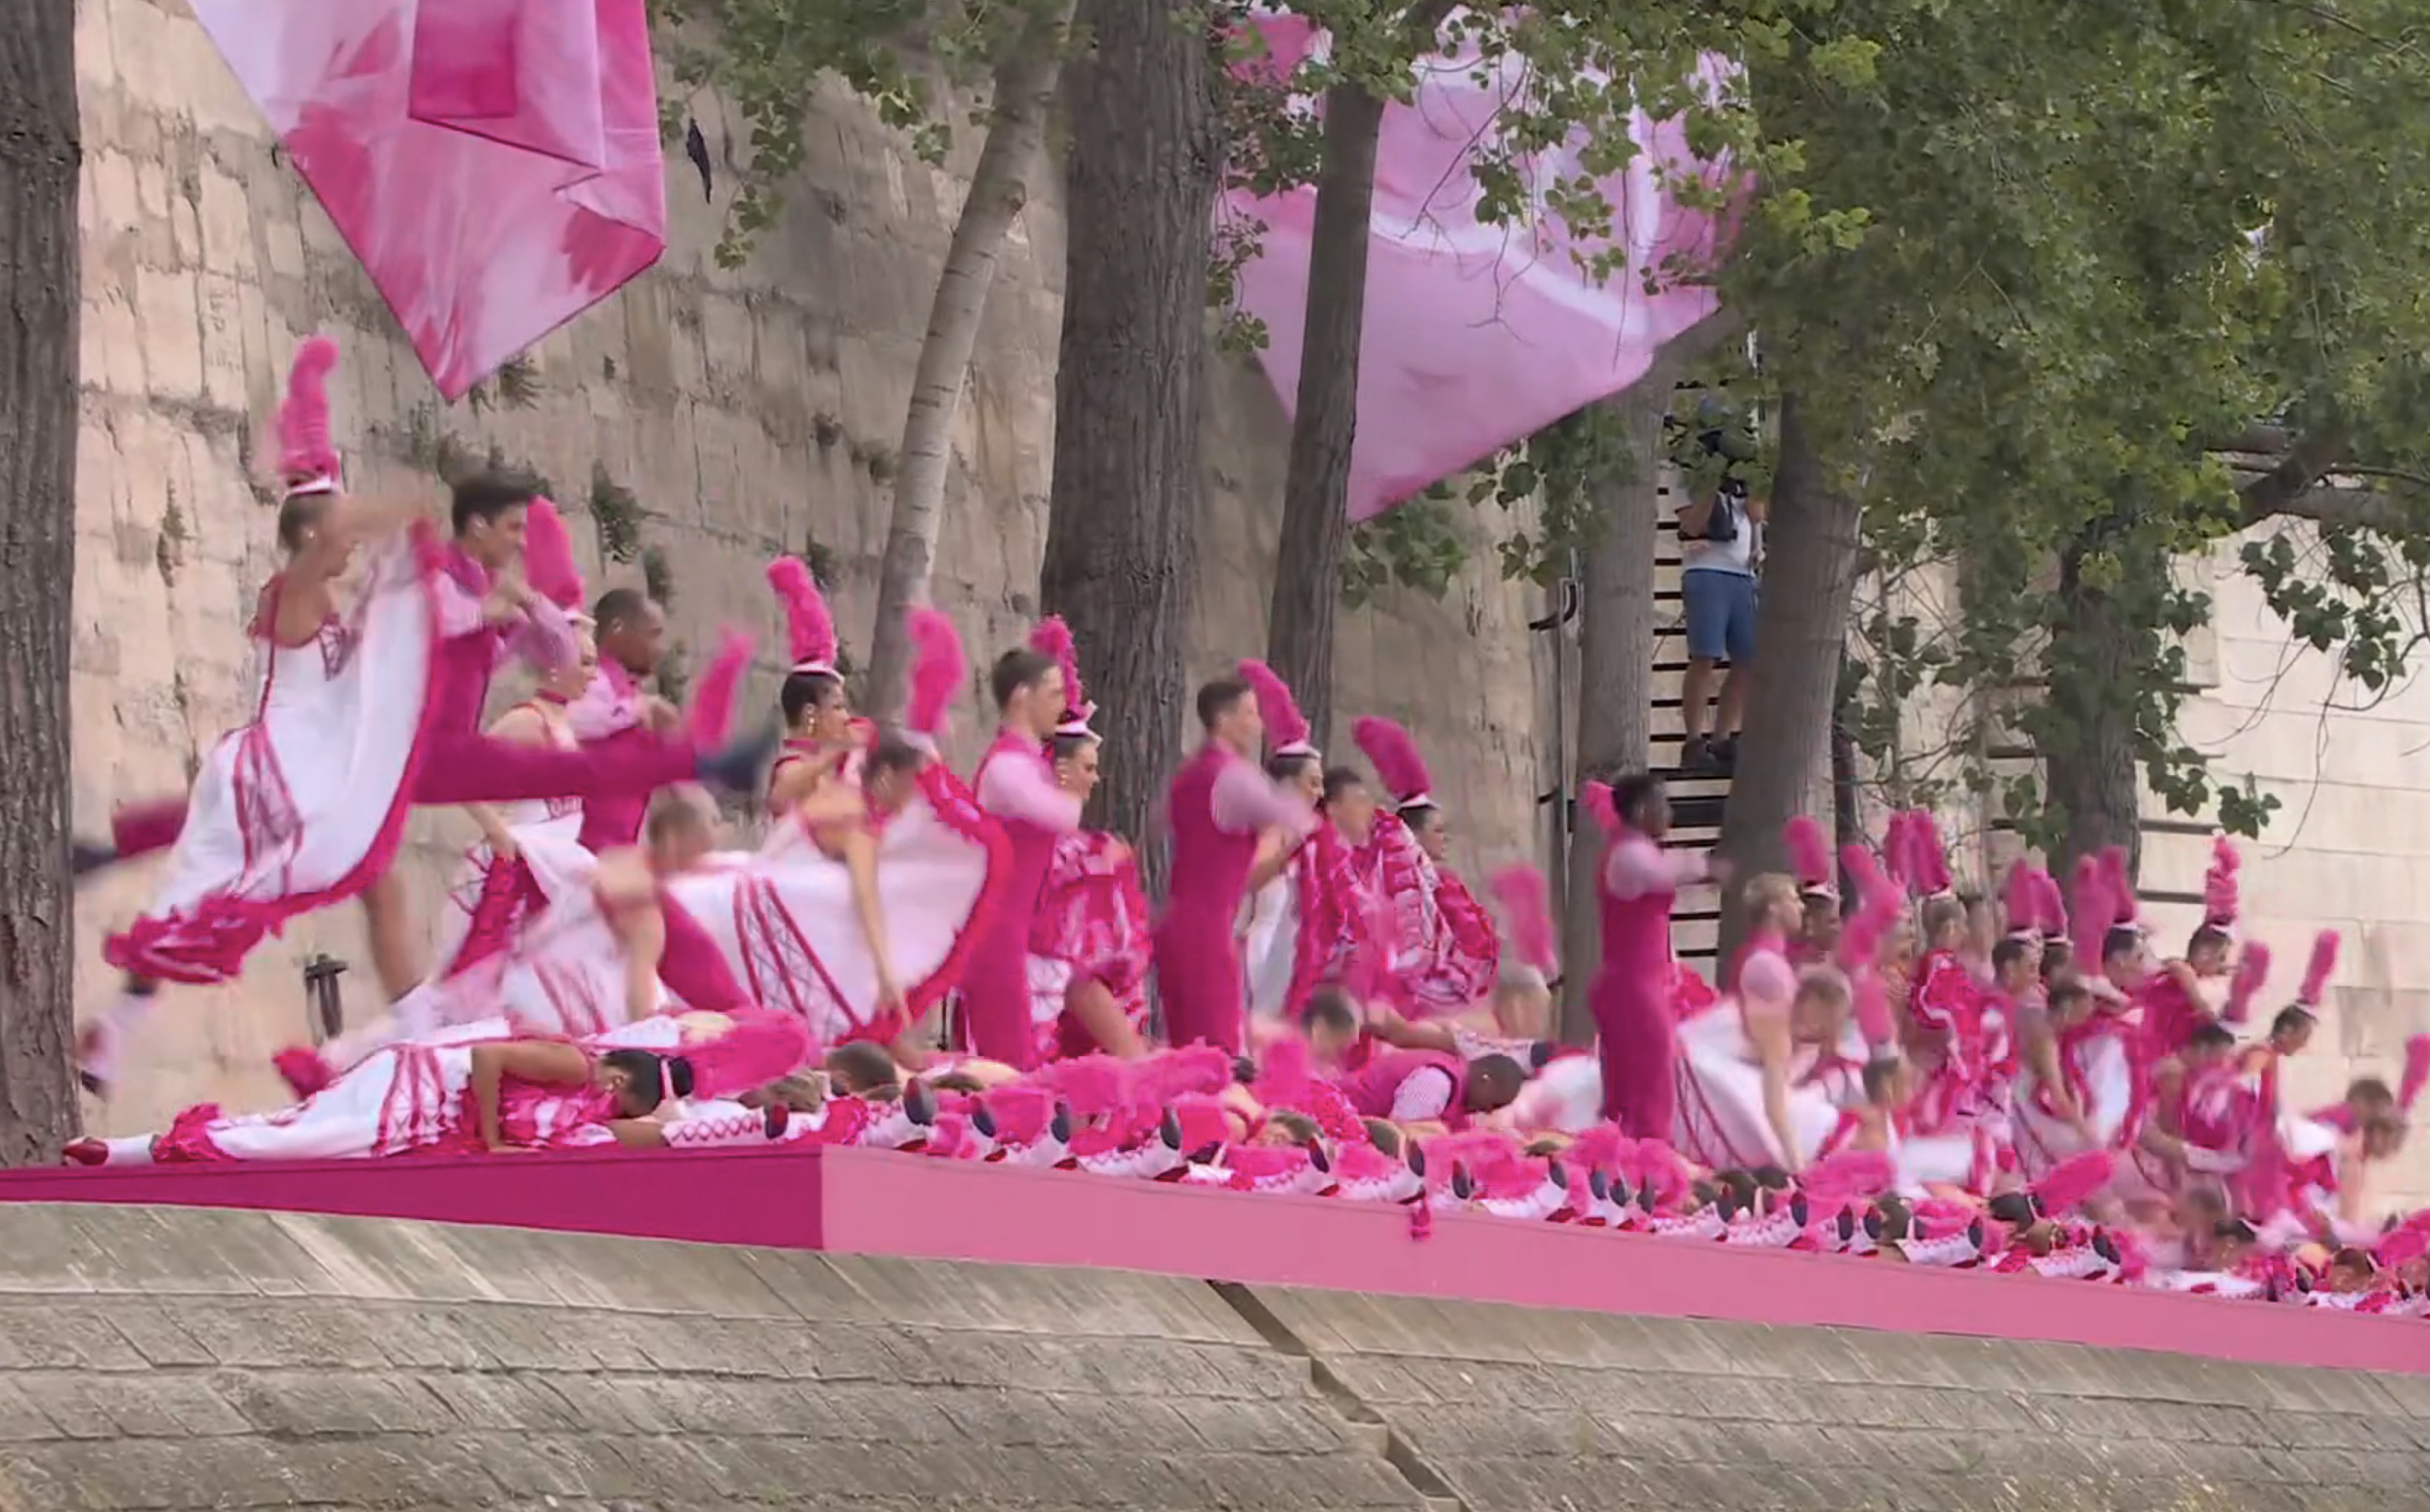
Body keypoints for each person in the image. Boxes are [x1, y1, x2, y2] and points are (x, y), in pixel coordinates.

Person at [80, 338, 445, 1093]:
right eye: (333, 537)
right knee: (230, 900)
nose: (345, 554)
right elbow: (339, 535)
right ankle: (417, 1020)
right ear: (312, 535)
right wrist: (405, 505)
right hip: (277, 777)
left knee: (322, 884)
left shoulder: (316, 596)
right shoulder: (293, 592)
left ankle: (112, 1034)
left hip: (282, 771)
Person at [1154, 670, 1316, 1054]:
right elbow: (1300, 820)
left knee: (1185, 1049)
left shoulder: (1187, 774)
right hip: (1209, 931)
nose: (1257, 723)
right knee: (1217, 1052)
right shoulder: (1234, 777)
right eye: (1249, 713)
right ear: (1224, 720)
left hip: (1176, 921)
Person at [1673, 878, 1861, 1174]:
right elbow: (1775, 1057)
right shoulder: (1767, 966)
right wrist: (1794, 1160)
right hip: (1746, 1081)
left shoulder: (1773, 961)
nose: (1801, 907)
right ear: (1774, 908)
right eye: (1793, 900)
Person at [1025, 622, 1150, 1059]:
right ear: (1061, 772)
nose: (1096, 780)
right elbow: (1080, 973)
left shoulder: (1083, 848)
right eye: (1089, 767)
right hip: (1041, 994)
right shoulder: (1071, 852)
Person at [961, 641, 1083, 1066]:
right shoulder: (1009, 768)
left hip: (1016, 930)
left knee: (1016, 1056)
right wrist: (1075, 787)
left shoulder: (1028, 764)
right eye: (1052, 693)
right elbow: (1064, 815)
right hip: (996, 930)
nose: (1063, 704)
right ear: (1020, 697)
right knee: (1006, 1057)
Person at [1585, 772, 1720, 1136]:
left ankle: (1625, 1166)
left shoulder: (1627, 848)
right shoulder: (1630, 854)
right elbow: (1672, 872)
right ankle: (1649, 1168)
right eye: (1664, 804)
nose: (1670, 813)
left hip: (1634, 985)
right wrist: (1716, 863)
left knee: (1631, 1090)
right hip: (1633, 989)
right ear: (1644, 809)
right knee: (1651, 1088)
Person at [1349, 716, 1500, 1016]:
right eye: (1439, 830)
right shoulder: (1423, 886)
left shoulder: (1435, 883)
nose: (1446, 838)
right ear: (1414, 834)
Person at [1673, 419, 1763, 772]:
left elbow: (1757, 513)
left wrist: (1748, 480)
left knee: (1747, 660)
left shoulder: (1745, 480)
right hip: (1706, 569)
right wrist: (1711, 484)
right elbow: (1691, 524)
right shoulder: (1685, 476)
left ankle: (1723, 737)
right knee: (1705, 656)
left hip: (1743, 574)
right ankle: (1695, 739)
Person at [572, 586, 685, 854]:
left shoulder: (627, 692)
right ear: (618, 628)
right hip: (580, 855)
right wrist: (639, 710)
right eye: (652, 635)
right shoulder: (591, 682)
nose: (659, 649)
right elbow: (576, 720)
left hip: (616, 854)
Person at [764, 556, 862, 815]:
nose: (846, 716)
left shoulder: (834, 767)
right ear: (810, 713)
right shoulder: (792, 766)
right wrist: (835, 751)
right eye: (838, 706)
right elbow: (781, 796)